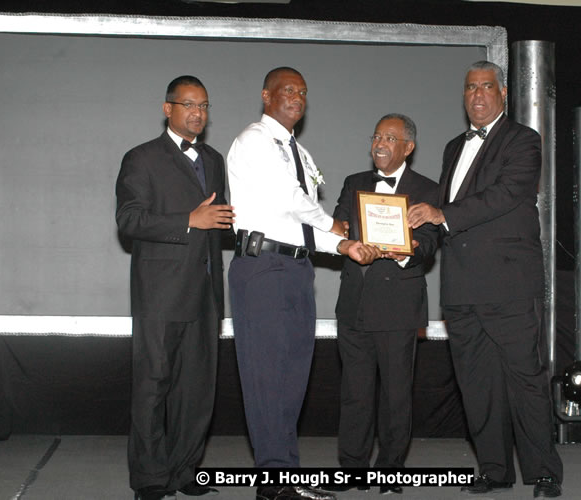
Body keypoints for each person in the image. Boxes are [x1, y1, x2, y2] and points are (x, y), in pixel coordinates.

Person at [407, 61, 563, 498]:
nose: (477, 95)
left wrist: (442, 214)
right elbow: (442, 210)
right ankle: (494, 469)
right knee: (477, 384)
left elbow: (506, 194)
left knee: (525, 380)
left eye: (486, 87)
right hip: (460, 287)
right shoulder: (454, 147)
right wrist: (412, 245)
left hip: (508, 284)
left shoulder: (523, 140)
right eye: (470, 88)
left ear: (503, 93)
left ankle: (543, 472)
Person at [226, 66, 381, 500]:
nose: (297, 97)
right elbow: (287, 200)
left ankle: (282, 480)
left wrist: (343, 247)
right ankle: (274, 482)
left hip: (296, 269)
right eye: (288, 90)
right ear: (266, 95)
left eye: (303, 92)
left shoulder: (302, 152)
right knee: (267, 376)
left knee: (292, 377)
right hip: (263, 269)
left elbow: (302, 225)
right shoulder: (255, 140)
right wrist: (338, 228)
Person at [116, 75, 234, 500]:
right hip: (160, 293)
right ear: (168, 109)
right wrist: (188, 220)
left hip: (205, 292)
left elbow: (218, 220)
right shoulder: (142, 158)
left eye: (203, 105)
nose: (198, 113)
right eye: (188, 105)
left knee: (197, 390)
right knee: (153, 385)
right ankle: (149, 476)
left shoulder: (215, 158)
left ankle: (184, 470)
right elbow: (129, 221)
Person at [329, 114, 438, 495]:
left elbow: (429, 245)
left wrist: (402, 251)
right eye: (376, 135)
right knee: (354, 393)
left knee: (395, 394)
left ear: (407, 147)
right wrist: (339, 231)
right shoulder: (353, 183)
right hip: (354, 304)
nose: (380, 143)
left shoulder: (427, 188)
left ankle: (390, 469)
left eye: (390, 138)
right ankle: (352, 469)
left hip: (398, 305)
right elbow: (339, 224)